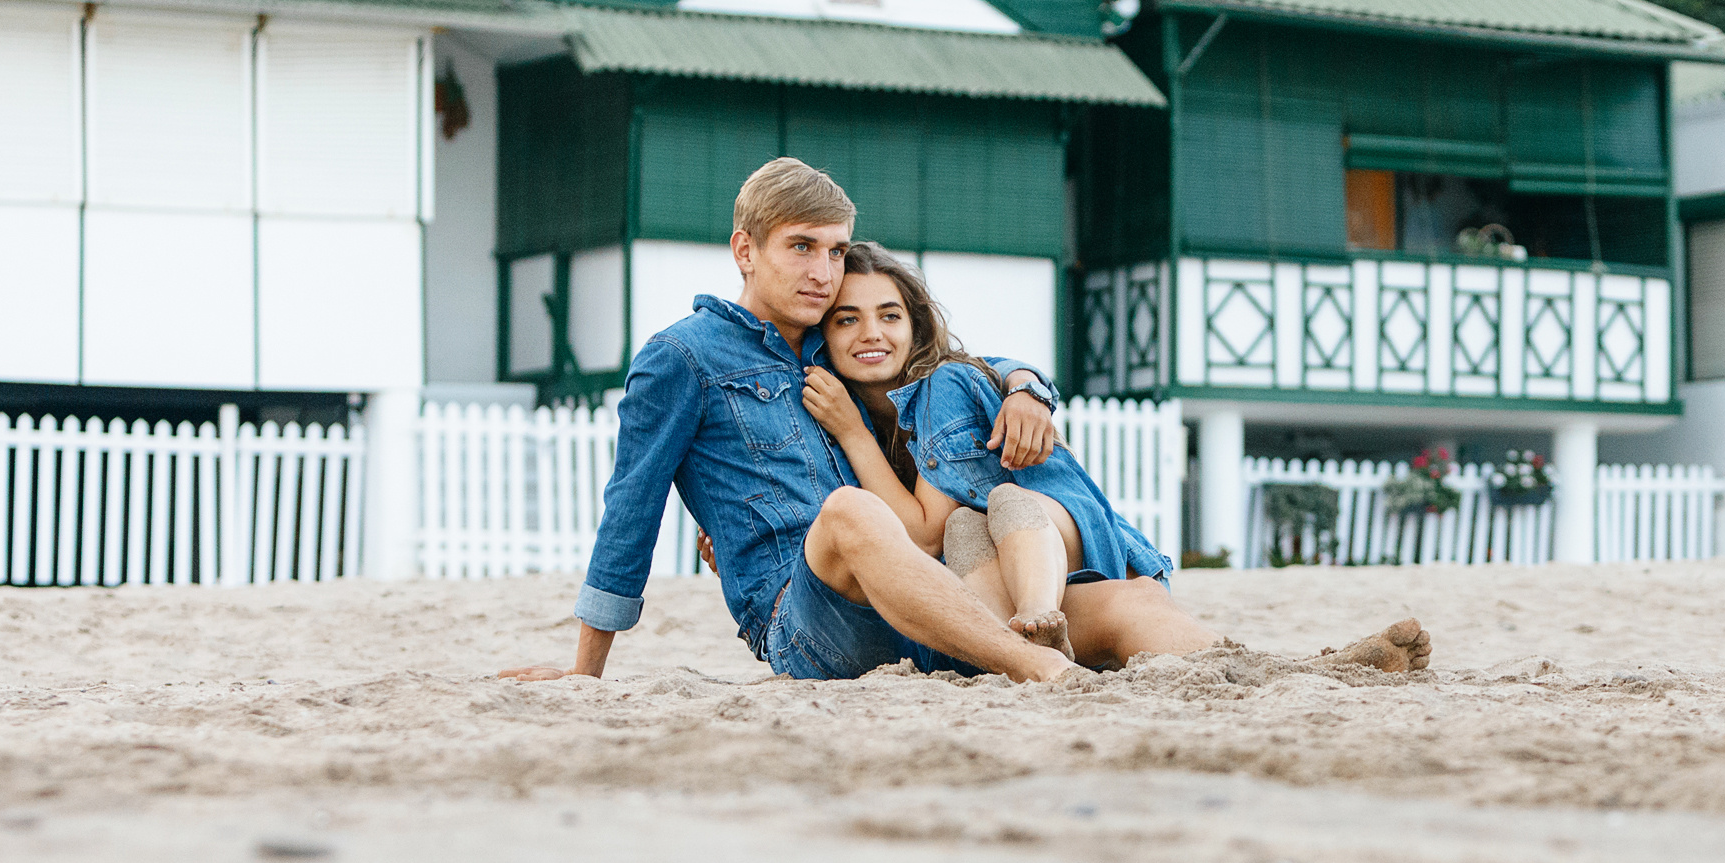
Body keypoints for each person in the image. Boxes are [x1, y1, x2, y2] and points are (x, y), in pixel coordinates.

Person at [498, 156, 1430, 685]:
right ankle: (1046, 677)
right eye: (800, 250)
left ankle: (1297, 673)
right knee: (851, 515)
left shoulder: (828, 351)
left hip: (926, 596)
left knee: (1114, 605)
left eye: (832, 251)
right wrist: (586, 672)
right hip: (806, 619)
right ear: (745, 249)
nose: (824, 273)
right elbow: (629, 508)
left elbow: (951, 360)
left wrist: (1027, 385)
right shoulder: (683, 356)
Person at [800, 243, 1180, 667]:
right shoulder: (844, 414)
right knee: (963, 527)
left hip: (1069, 543)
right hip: (995, 571)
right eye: (847, 319)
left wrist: (853, 433)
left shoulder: (940, 386)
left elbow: (923, 536)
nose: (871, 332)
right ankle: (1026, 646)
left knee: (1003, 503)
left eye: (890, 315)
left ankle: (1039, 616)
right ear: (823, 336)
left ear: (915, 327)